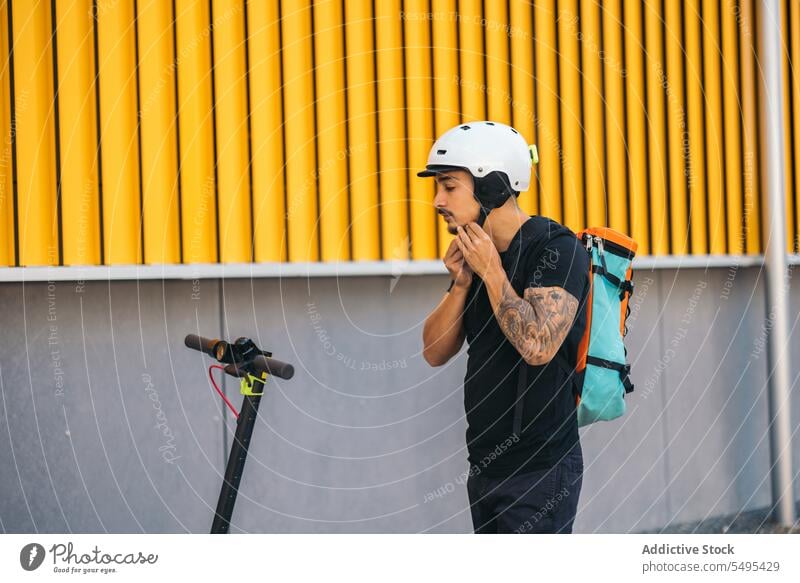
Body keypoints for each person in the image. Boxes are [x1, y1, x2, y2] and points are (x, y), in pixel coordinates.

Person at [420, 121, 590, 534]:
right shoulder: (475, 256)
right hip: (484, 466)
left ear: (493, 187)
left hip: (539, 469)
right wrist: (462, 282)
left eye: (449, 186)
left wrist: (492, 273)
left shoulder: (556, 249)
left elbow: (539, 346)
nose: (438, 201)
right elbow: (433, 352)